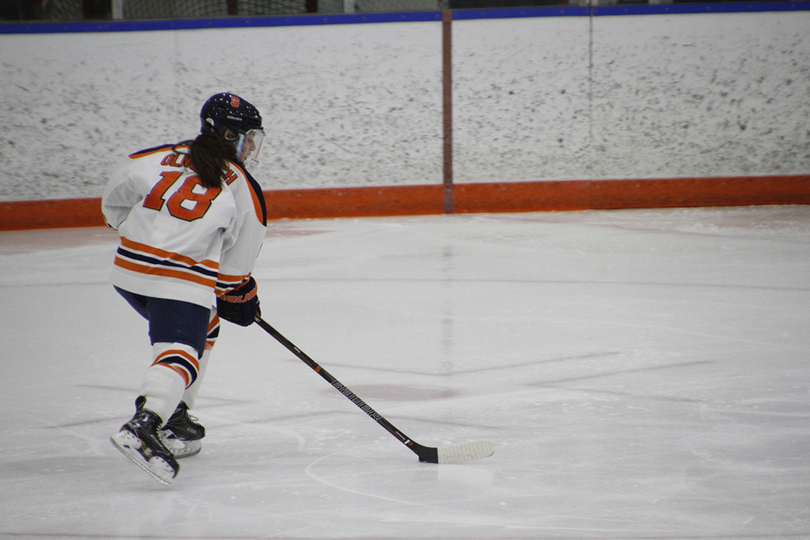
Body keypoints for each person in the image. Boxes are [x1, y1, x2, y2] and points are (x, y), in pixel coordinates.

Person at [102, 92, 268, 484]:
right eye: (247, 138)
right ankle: (147, 422)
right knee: (181, 349)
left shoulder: (157, 155)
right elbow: (233, 272)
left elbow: (115, 200)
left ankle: (175, 413)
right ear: (229, 135)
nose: (251, 148)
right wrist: (240, 295)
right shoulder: (242, 185)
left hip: (129, 273)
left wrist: (137, 231)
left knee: (206, 322)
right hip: (179, 280)